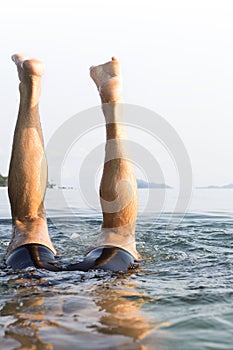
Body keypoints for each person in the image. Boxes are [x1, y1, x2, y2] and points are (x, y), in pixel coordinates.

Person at [5, 54, 141, 272]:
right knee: (118, 233)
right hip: (97, 285)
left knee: (30, 226)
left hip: (37, 287)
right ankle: (112, 103)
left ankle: (30, 88)